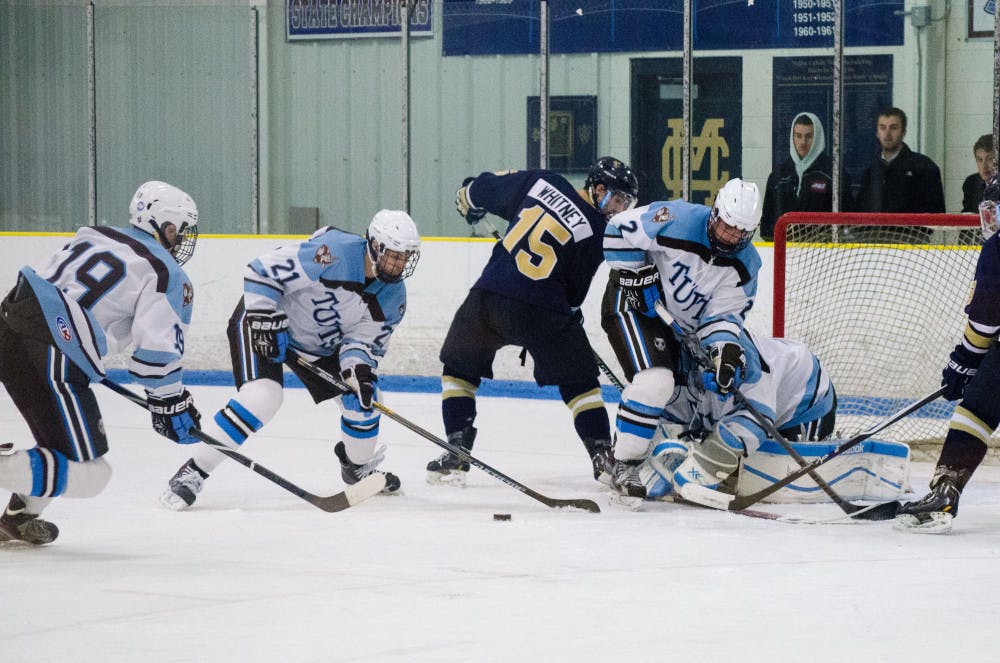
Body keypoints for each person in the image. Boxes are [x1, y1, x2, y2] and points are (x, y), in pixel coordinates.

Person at [159, 210, 421, 509]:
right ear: (374, 245)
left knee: (365, 400)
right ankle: (194, 471)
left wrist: (358, 373)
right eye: (393, 255)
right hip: (267, 322)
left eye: (405, 257)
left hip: (320, 346)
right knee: (263, 397)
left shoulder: (393, 296)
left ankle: (356, 469)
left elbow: (361, 344)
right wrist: (264, 315)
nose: (399, 264)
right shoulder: (334, 252)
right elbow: (262, 271)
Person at [0, 181, 201, 544]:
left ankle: (19, 517)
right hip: (55, 348)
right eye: (181, 230)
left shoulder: (93, 235)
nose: (182, 238)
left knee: (60, 448)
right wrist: (172, 400)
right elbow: (157, 354)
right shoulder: (166, 272)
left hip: (11, 318)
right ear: (166, 226)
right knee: (90, 473)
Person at [426, 156, 638, 487]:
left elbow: (483, 188)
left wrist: (469, 197)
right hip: (542, 308)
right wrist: (569, 312)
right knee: (580, 382)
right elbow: (573, 295)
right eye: (619, 199)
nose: (620, 210)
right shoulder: (598, 231)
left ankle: (456, 448)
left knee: (459, 369)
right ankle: (601, 454)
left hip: (490, 295)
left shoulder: (543, 181)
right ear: (598, 189)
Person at [601, 177, 764, 497]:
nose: (731, 237)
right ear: (715, 213)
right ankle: (623, 462)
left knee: (681, 393)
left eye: (740, 232)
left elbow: (723, 317)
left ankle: (653, 447)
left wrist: (724, 350)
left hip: (679, 327)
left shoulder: (746, 267)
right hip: (634, 305)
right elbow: (617, 229)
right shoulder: (675, 218)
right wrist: (637, 276)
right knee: (656, 382)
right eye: (727, 226)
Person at [895, 175, 1000, 534]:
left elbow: (985, 322)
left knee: (977, 407)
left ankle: (944, 492)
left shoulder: (997, 248)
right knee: (981, 401)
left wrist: (963, 363)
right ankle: (945, 491)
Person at [853, 107, 944, 241]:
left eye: (893, 127)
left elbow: (937, 212)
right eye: (883, 127)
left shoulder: (924, 167)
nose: (887, 133)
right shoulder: (870, 170)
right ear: (877, 132)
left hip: (910, 246)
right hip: (873, 246)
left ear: (904, 132)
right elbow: (860, 210)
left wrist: (913, 234)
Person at [760, 112, 852, 241]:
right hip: (783, 253)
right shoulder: (778, 176)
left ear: (818, 138)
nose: (803, 142)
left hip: (823, 253)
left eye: (809, 136)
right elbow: (766, 225)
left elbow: (847, 224)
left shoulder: (835, 175)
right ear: (792, 137)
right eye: (798, 136)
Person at [961, 134, 995, 213]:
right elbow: (967, 214)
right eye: (980, 160)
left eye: (990, 159)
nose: (984, 166)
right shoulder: (971, 183)